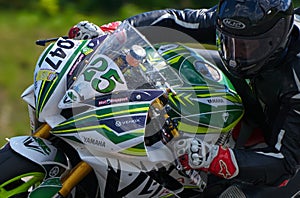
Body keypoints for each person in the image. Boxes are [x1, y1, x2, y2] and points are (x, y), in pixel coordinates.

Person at [68, 0, 300, 191]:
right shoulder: (241, 19)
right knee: (168, 61)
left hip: (288, 142)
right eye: (229, 43)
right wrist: (114, 33)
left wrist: (213, 157)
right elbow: (175, 20)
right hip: (258, 89)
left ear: (278, 37)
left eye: (248, 47)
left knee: (227, 193)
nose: (236, 55)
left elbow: (284, 164)